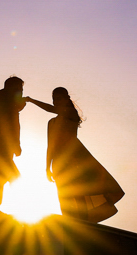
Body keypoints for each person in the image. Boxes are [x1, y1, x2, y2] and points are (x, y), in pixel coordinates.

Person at [30, 87, 124, 223]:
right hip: (58, 161)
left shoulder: (71, 113)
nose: (57, 101)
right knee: (65, 193)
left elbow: (52, 109)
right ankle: (71, 221)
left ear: (66, 98)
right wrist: (47, 167)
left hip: (75, 157)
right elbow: (50, 145)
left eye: (60, 97)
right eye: (55, 98)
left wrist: (31, 100)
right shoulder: (51, 123)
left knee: (79, 191)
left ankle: (84, 223)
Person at [0, 76, 28, 218]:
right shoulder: (5, 99)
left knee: (2, 174)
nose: (20, 92)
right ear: (11, 87)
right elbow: (9, 122)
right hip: (0, 144)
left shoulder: (0, 97)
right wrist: (16, 144)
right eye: (19, 89)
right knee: (13, 176)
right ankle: (21, 206)